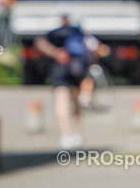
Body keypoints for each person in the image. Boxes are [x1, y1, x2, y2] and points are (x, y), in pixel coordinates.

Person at [34, 14, 108, 149]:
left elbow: (39, 43)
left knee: (61, 102)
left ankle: (65, 134)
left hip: (59, 69)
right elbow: (94, 47)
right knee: (76, 102)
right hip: (77, 68)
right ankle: (77, 132)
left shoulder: (52, 32)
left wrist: (55, 53)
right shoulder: (78, 31)